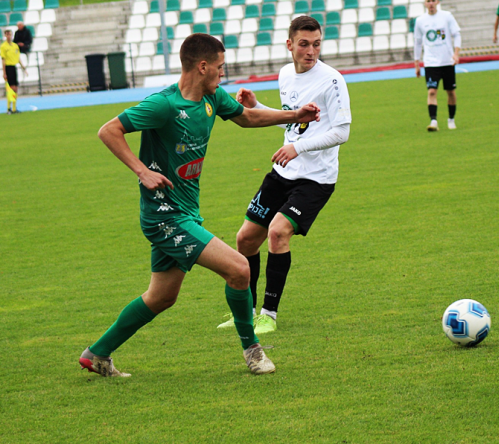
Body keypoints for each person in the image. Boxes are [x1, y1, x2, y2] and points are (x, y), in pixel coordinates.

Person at [78, 33, 321, 378]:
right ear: (202, 66)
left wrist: (296, 115)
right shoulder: (164, 105)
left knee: (161, 297)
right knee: (239, 269)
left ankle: (97, 353)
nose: (224, 75)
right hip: (165, 217)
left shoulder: (213, 99)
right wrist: (142, 171)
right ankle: (253, 351)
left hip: (185, 211)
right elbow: (109, 130)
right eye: (220, 68)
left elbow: (248, 117)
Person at [217, 16, 351, 335]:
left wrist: (298, 148)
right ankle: (245, 313)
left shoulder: (332, 80)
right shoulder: (285, 74)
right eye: (304, 44)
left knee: (278, 233)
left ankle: (269, 315)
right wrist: (257, 105)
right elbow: (294, 124)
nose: (311, 51)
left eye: (316, 44)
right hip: (283, 172)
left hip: (316, 179)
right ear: (289, 45)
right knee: (245, 238)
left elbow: (341, 132)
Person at [413, 0, 461, 132]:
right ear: (425, 3)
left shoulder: (446, 17)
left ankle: (451, 119)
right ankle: (433, 121)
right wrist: (417, 63)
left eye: (433, 0)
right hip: (431, 63)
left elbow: (457, 34)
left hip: (447, 61)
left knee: (450, 92)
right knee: (432, 91)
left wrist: (456, 53)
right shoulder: (420, 21)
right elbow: (417, 42)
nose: (431, 3)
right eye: (428, 1)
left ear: (438, 2)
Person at [0, 29, 27, 113]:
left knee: (15, 88)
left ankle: (14, 108)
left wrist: (23, 68)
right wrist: (4, 72)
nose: (9, 36)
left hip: (14, 67)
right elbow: (3, 60)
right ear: (5, 36)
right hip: (8, 67)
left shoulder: (15, 46)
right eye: (7, 34)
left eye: (10, 34)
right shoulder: (3, 46)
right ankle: (9, 108)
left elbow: (18, 58)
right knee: (11, 88)